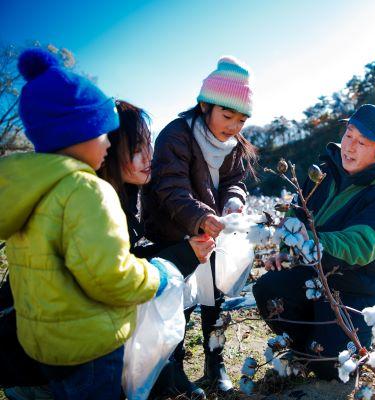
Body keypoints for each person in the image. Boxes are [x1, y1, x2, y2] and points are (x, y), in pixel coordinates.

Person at [0, 48, 170, 400]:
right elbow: (108, 276)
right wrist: (158, 276)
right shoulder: (87, 190)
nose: (110, 141)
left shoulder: (27, 192)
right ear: (79, 133)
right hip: (89, 348)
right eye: (103, 133)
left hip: (43, 347)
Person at [252, 104, 375, 380]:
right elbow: (297, 212)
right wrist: (287, 251)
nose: (350, 146)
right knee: (268, 288)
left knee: (332, 366)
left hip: (355, 290)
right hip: (310, 275)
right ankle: (303, 347)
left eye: (362, 142)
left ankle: (322, 349)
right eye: (349, 135)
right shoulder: (323, 171)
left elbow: (361, 244)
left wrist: (312, 242)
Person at [142, 56, 258, 392]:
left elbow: (235, 180)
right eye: (227, 115)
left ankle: (215, 363)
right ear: (205, 104)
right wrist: (200, 218)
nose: (234, 126)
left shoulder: (234, 145)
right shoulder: (176, 135)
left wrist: (234, 201)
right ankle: (173, 369)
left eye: (242, 119)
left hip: (215, 231)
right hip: (176, 232)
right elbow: (170, 186)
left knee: (215, 298)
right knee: (181, 302)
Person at [97, 100, 213, 398]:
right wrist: (183, 255)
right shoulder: (97, 202)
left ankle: (167, 370)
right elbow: (116, 275)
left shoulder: (134, 191)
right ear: (106, 150)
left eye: (149, 144)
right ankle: (160, 377)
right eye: (138, 149)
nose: (150, 156)